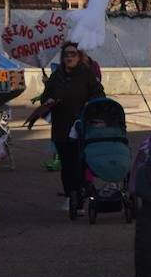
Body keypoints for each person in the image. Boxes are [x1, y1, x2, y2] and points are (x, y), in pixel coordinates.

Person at [38, 41, 104, 211]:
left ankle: (80, 198)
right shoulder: (56, 76)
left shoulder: (86, 74)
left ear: (79, 56)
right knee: (66, 165)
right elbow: (44, 97)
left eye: (73, 54)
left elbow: (99, 94)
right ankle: (70, 196)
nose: (69, 57)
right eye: (66, 54)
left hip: (81, 127)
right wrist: (48, 100)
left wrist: (90, 106)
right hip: (61, 127)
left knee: (79, 164)